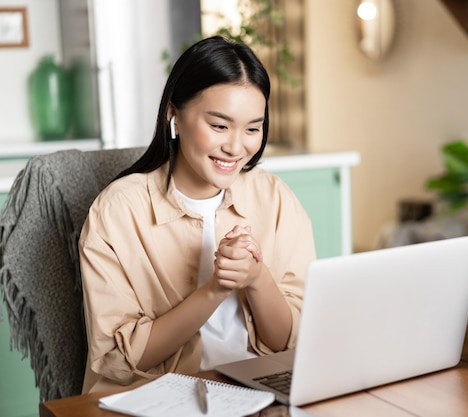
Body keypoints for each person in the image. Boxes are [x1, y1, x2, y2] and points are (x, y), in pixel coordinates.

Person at [78, 35, 316, 393]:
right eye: (219, 126)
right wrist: (215, 289)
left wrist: (256, 279)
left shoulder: (274, 198)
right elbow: (120, 360)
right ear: (174, 114)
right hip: (158, 397)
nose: (237, 147)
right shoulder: (116, 212)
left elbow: (290, 342)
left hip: (258, 393)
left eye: (253, 128)